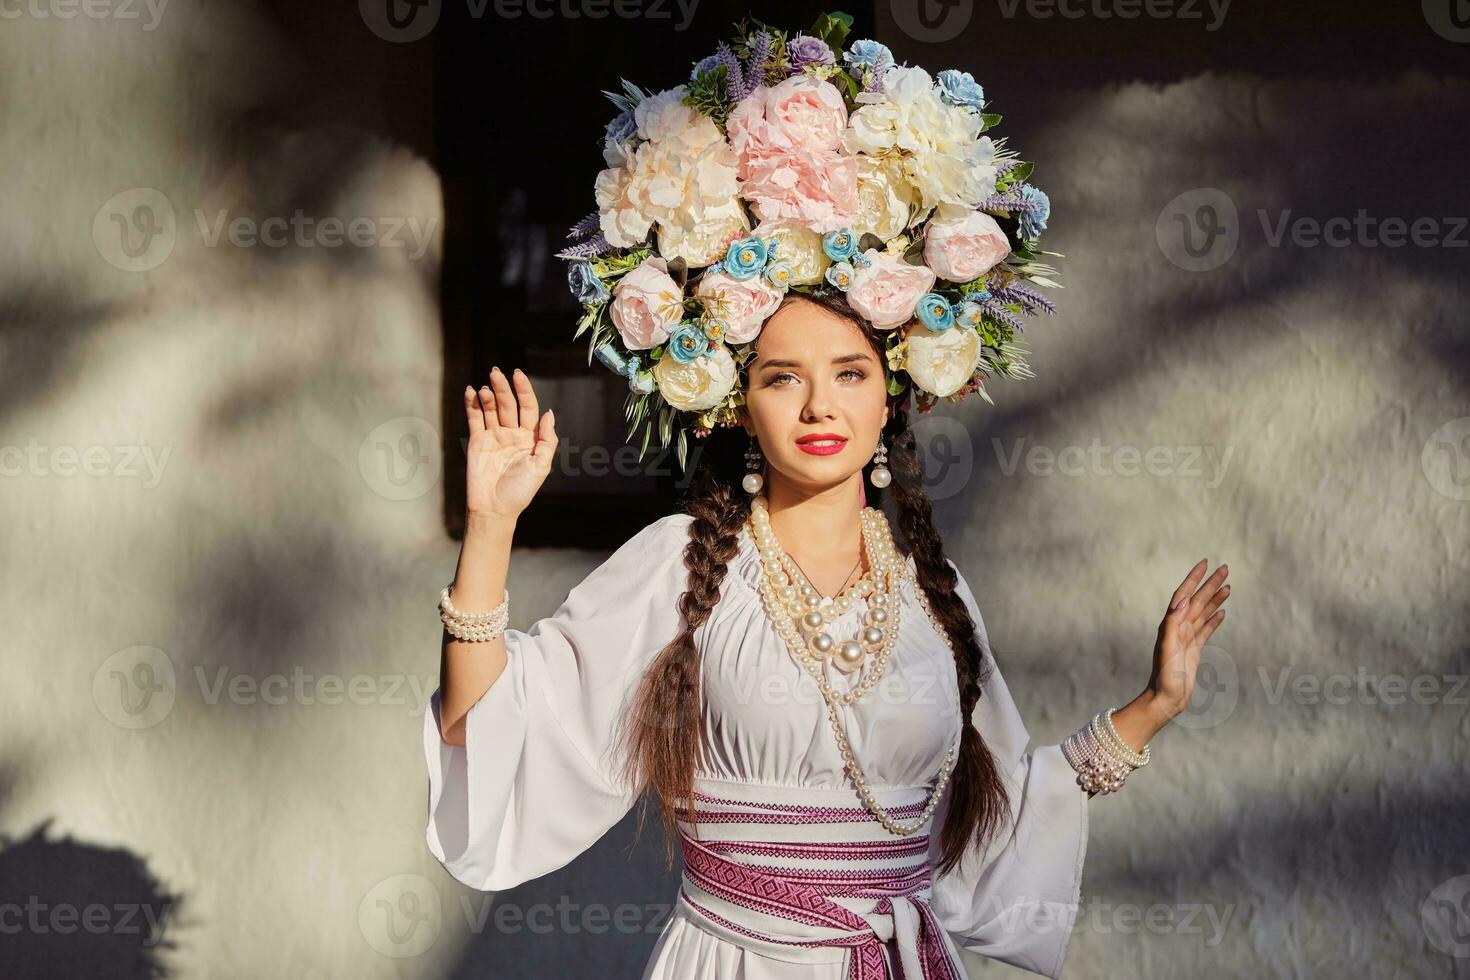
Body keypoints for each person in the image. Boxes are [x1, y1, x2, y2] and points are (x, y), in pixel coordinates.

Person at [423, 289, 1231, 979]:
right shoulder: (680, 565)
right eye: (784, 379)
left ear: (891, 399)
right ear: (739, 404)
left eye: (851, 373)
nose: (819, 406)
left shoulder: (931, 594)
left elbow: (1004, 817)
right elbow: (484, 726)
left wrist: (1155, 706)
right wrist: (491, 527)